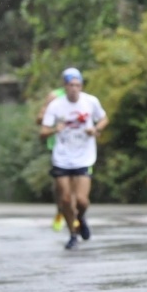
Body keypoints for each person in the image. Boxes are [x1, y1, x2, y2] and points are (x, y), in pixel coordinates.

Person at [39, 68, 109, 250]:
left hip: (84, 157)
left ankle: (81, 217)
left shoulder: (90, 101)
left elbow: (104, 119)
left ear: (81, 86)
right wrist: (55, 129)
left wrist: (95, 129)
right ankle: (72, 234)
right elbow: (43, 132)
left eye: (77, 85)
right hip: (62, 158)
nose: (74, 89)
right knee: (65, 200)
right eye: (71, 85)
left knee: (81, 201)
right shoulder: (56, 105)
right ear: (65, 86)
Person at [37, 84, 68, 231]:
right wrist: (52, 118)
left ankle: (75, 215)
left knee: (78, 182)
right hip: (58, 146)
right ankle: (60, 211)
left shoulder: (84, 98)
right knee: (60, 185)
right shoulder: (54, 96)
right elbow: (39, 120)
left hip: (79, 148)